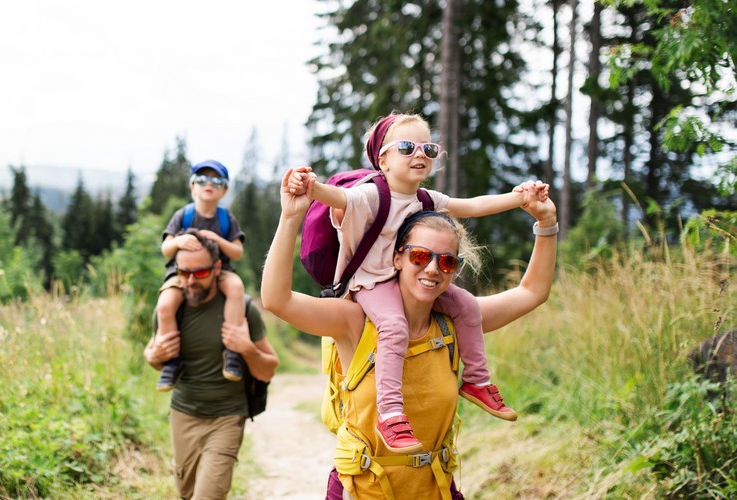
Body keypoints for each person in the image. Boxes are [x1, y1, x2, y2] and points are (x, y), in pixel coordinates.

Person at [264, 166, 558, 498]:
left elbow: (532, 293)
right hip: (363, 490)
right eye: (420, 256)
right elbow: (277, 300)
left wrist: (546, 224)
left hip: (436, 489)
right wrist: (290, 217)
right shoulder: (355, 321)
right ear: (397, 258)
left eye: (447, 262)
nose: (433, 269)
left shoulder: (457, 323)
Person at [289, 112, 548, 453]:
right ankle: (391, 413)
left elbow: (469, 206)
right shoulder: (370, 195)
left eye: (429, 148)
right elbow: (338, 199)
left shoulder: (425, 200)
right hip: (371, 285)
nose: (420, 155)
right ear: (383, 159)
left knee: (467, 304)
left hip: (403, 280)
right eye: (408, 147)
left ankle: (476, 381)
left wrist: (520, 199)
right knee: (394, 326)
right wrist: (309, 187)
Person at [144, 228, 279, 500]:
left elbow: (269, 367)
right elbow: (154, 355)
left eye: (201, 273)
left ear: (217, 268)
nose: (191, 281)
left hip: (227, 417)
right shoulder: (171, 308)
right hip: (184, 414)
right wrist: (153, 356)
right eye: (183, 273)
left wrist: (246, 349)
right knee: (187, 492)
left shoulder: (243, 309)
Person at [156, 159, 248, 391]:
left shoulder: (226, 218)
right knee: (166, 305)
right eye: (202, 180)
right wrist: (177, 240)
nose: (209, 185)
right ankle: (172, 361)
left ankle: (232, 352)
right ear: (192, 186)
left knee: (236, 289)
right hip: (183, 273)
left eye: (216, 181)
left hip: (220, 270)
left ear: (224, 190)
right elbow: (166, 249)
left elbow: (237, 252)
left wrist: (218, 240)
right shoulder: (183, 216)